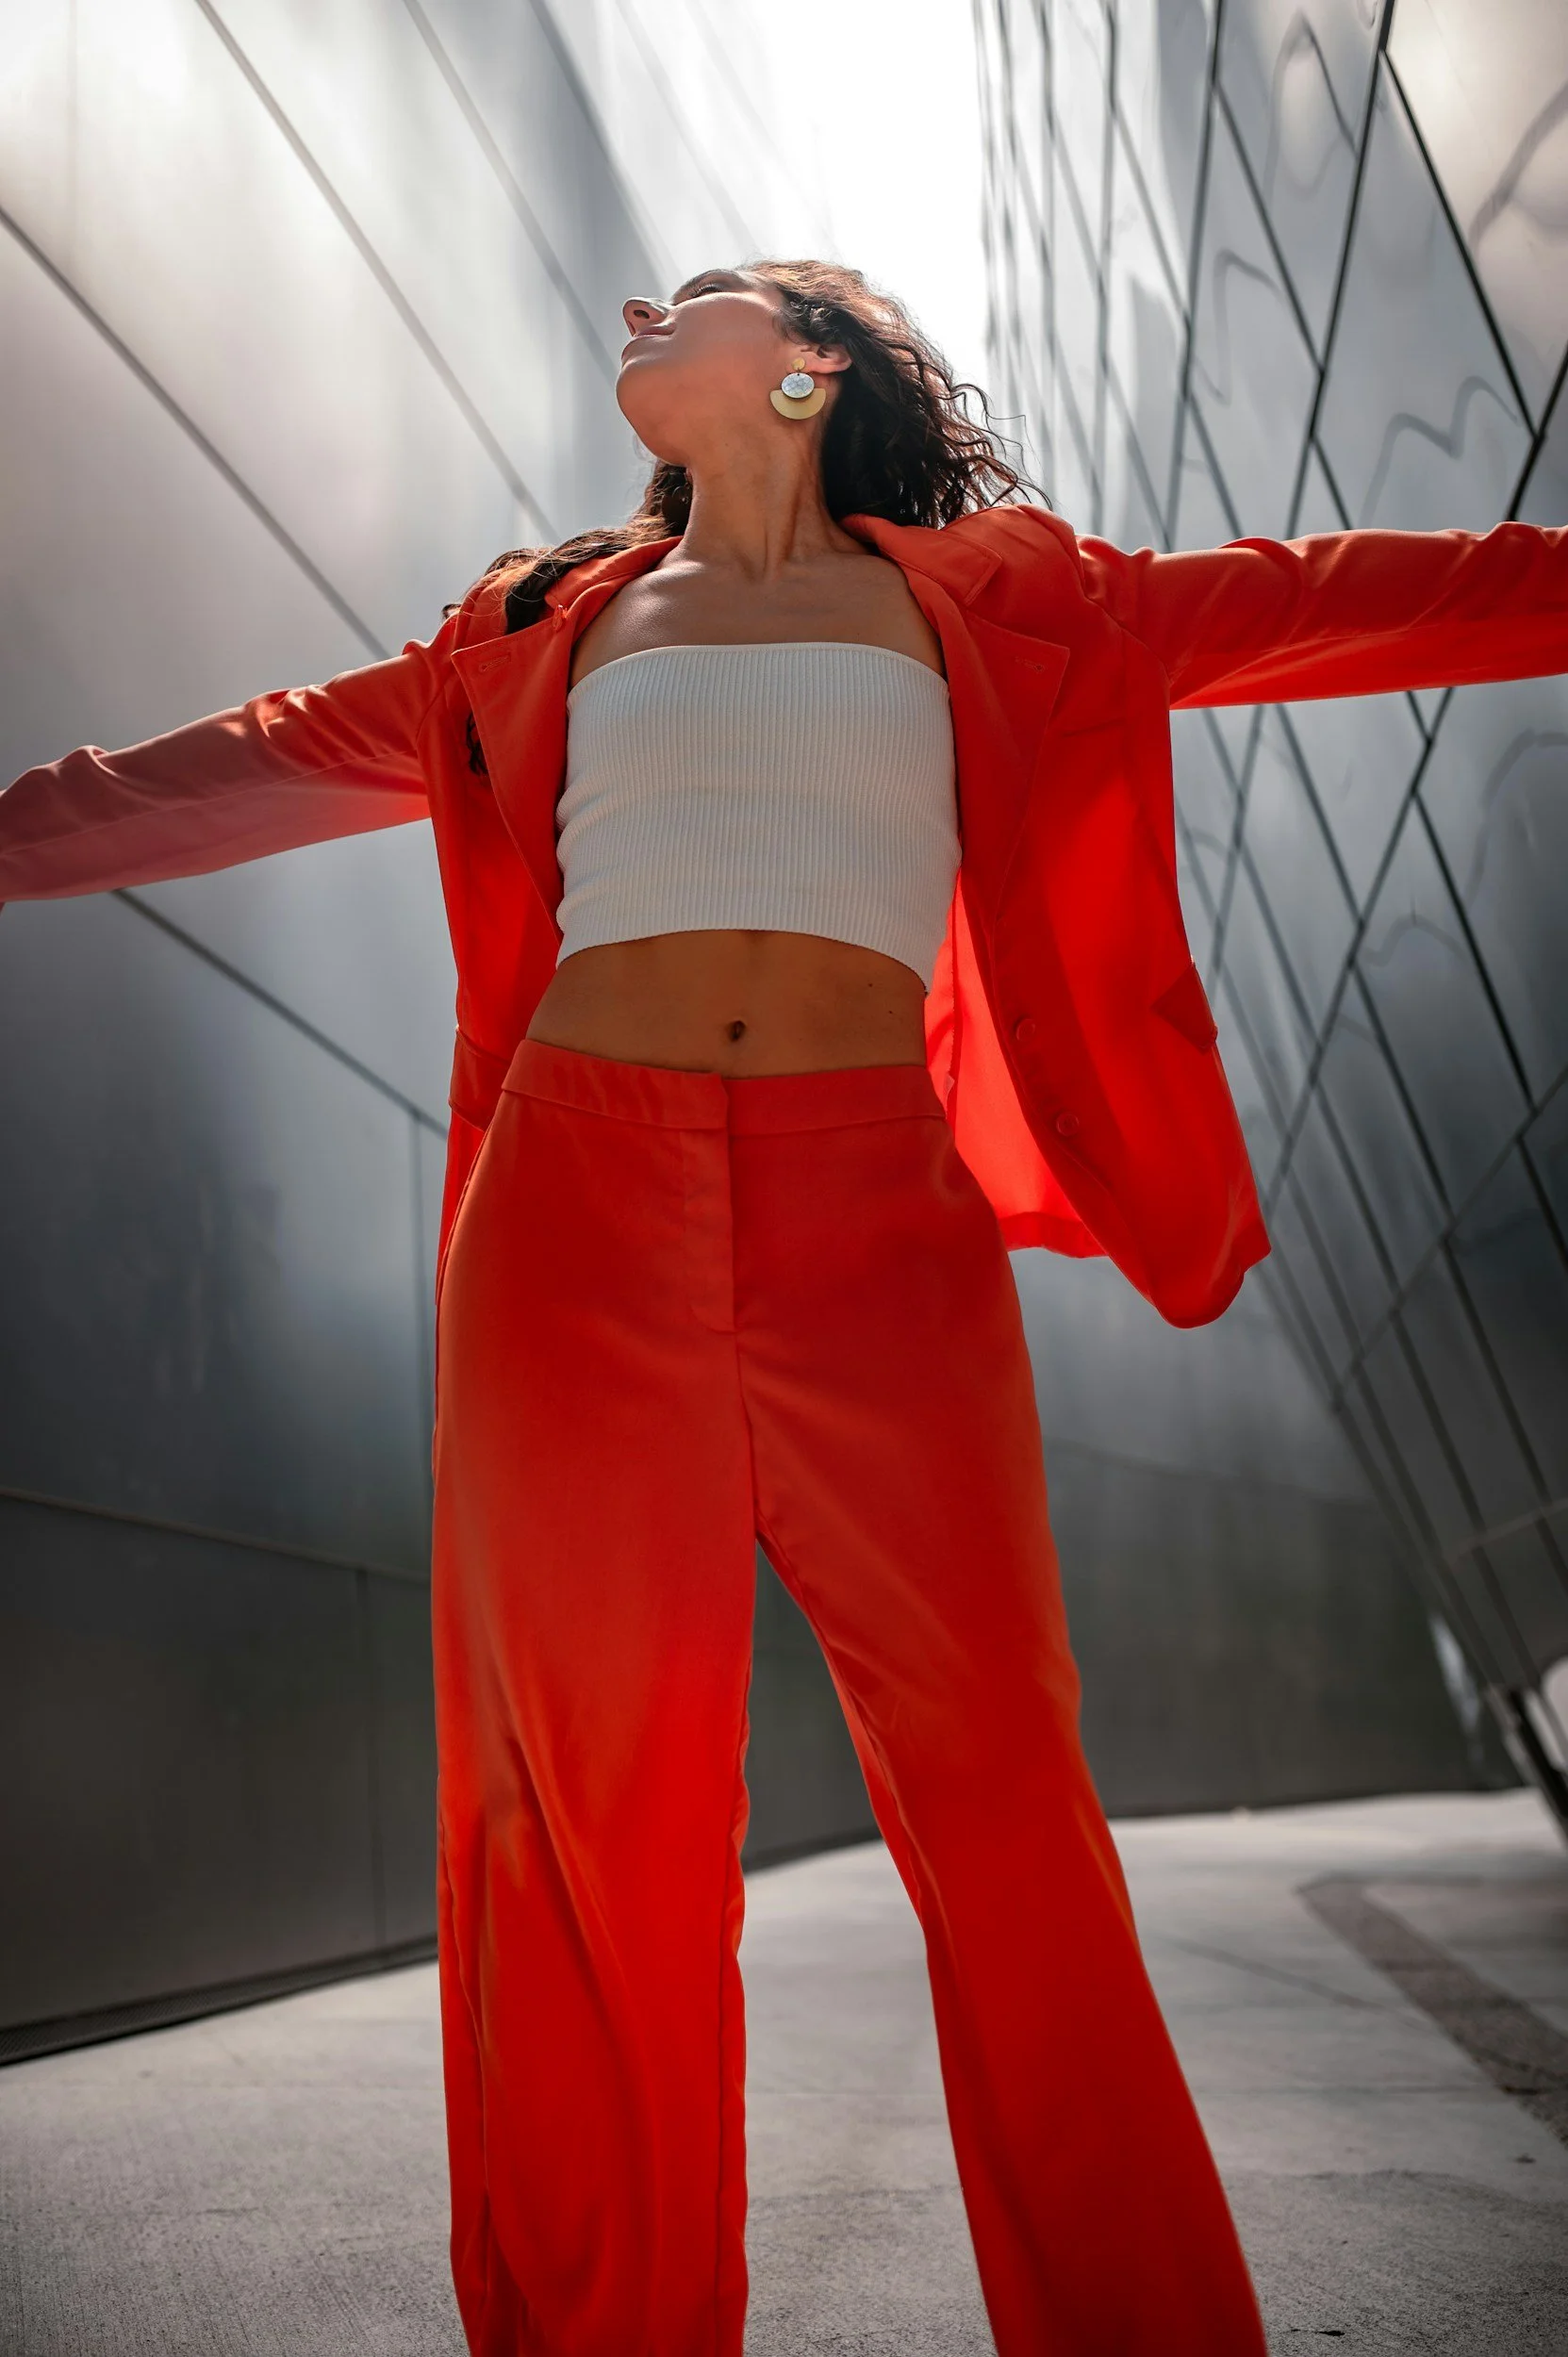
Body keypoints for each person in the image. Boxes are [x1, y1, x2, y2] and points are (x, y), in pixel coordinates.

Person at [3, 257, 1564, 2357]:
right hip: (570, 1220)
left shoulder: (1016, 604)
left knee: (1008, 1800)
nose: (645, 300)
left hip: (878, 1235)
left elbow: (1366, 589)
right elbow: (227, 766)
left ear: (813, 367)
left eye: (710, 291)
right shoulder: (531, 633)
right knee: (588, 1829)